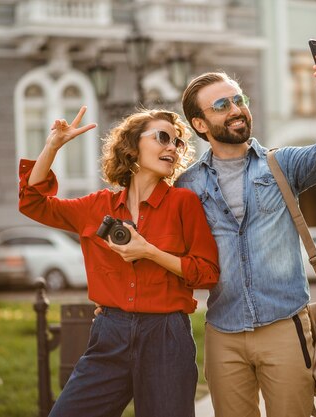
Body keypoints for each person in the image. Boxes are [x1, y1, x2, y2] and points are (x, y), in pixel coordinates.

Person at [175, 53, 316, 417]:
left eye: (239, 100)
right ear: (200, 123)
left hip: (283, 326)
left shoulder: (281, 164)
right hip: (222, 332)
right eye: (222, 105)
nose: (236, 109)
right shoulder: (187, 185)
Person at [18, 107, 219, 417]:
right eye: (163, 137)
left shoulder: (184, 203)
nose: (172, 147)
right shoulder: (98, 205)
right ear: (132, 145)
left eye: (177, 143)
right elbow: (32, 203)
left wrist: (150, 252)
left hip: (166, 336)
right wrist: (53, 146)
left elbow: (207, 273)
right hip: (110, 333)